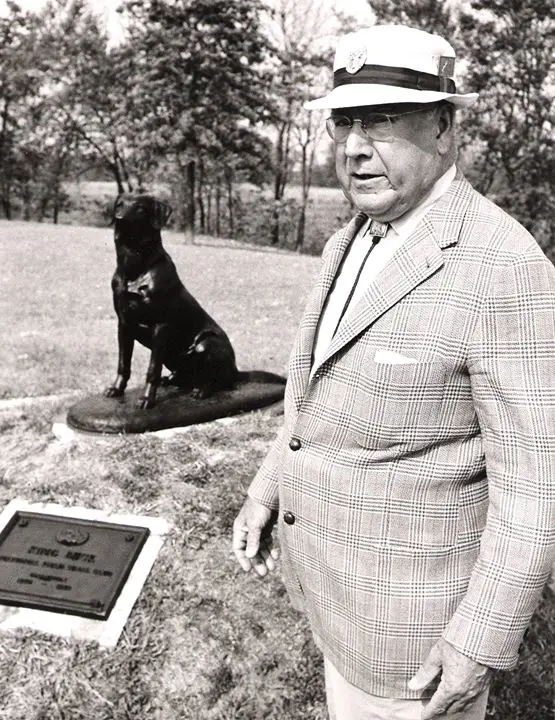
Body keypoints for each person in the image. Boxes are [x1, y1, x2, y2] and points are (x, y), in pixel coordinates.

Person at [232, 23, 555, 720]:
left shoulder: (505, 267)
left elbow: (534, 489)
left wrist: (478, 641)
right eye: (345, 122)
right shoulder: (349, 240)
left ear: (443, 128)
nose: (352, 147)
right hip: (336, 614)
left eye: (381, 120)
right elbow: (314, 398)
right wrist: (266, 488)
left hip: (419, 655)